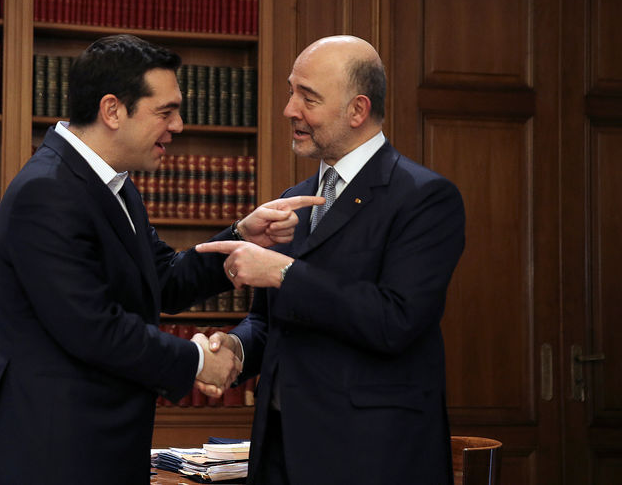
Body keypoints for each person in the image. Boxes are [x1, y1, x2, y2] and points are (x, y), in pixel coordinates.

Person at [0, 34, 323, 484]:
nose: (177, 125)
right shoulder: (47, 192)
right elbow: (92, 328)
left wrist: (239, 238)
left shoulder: (110, 184)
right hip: (54, 454)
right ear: (112, 111)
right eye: (166, 111)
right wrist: (199, 361)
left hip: (101, 448)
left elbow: (162, 277)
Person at [196, 35, 466, 485]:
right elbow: (271, 320)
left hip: (371, 456)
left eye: (308, 98)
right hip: (281, 450)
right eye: (291, 91)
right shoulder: (293, 199)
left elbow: (396, 320)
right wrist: (237, 348)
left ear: (358, 111)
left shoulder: (425, 198)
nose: (289, 110)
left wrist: (284, 272)